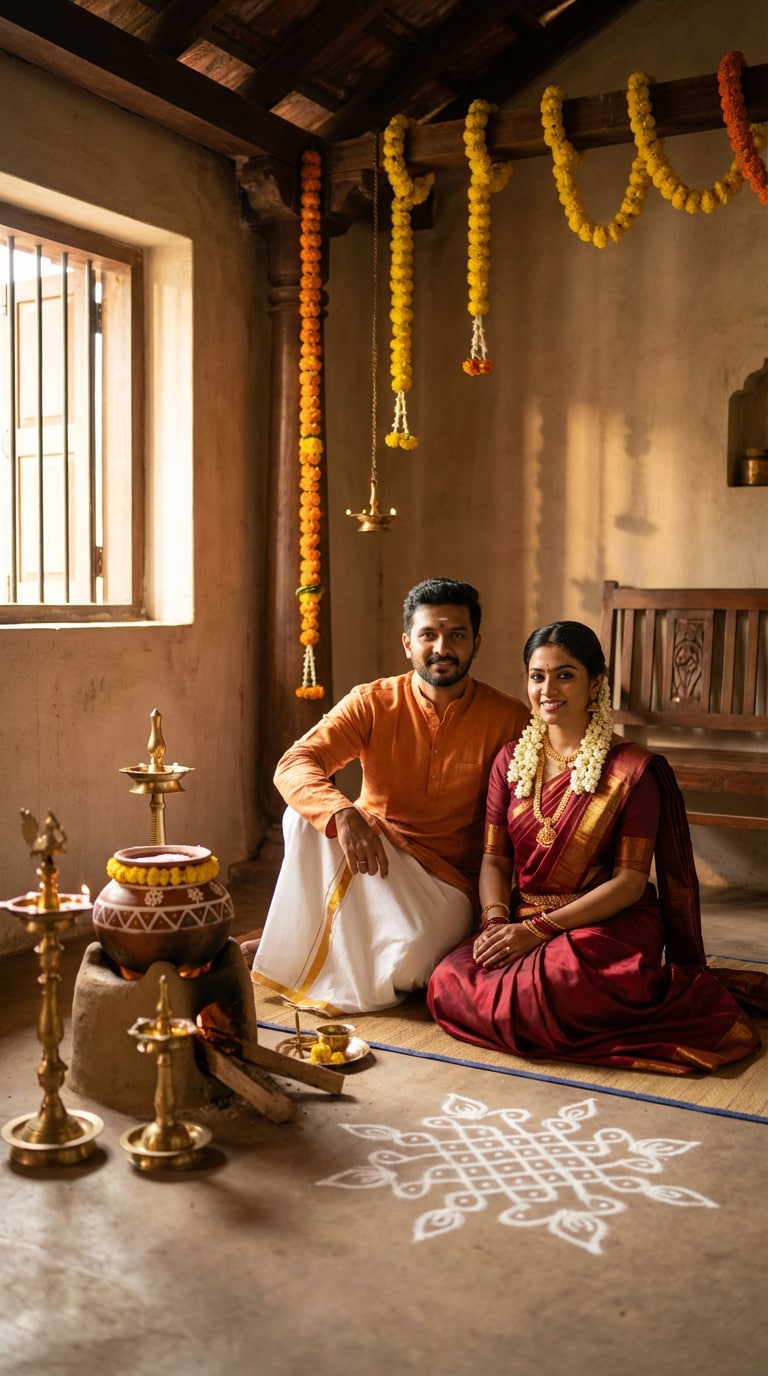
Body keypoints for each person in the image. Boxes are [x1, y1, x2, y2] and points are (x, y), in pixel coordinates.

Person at [427, 620, 767, 1075]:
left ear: (595, 684)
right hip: (522, 914)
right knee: (447, 981)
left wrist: (538, 931)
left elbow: (629, 883)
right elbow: (495, 858)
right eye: (537, 676)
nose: (548, 689)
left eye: (565, 675)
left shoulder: (632, 769)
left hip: (607, 922)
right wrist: (496, 921)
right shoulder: (510, 760)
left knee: (556, 988)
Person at [249, 578, 530, 1015]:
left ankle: (297, 945)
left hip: (449, 882)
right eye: (428, 635)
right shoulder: (372, 701)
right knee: (302, 817)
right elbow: (294, 762)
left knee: (411, 960)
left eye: (457, 635)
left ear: (476, 643)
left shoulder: (510, 718)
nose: (442, 648)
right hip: (374, 857)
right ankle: (306, 947)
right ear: (407, 643)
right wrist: (343, 813)